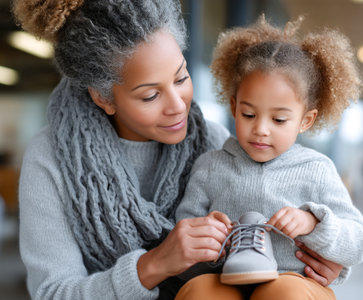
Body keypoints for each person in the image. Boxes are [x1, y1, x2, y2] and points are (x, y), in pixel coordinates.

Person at [13, 1, 342, 299]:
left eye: (181, 77)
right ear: (104, 98)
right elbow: (53, 293)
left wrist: (323, 263)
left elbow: (264, 233)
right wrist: (154, 265)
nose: (177, 106)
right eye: (150, 96)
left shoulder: (215, 141)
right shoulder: (51, 158)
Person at [175, 16, 363, 300]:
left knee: (282, 292)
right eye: (249, 114)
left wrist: (313, 224)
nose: (261, 129)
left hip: (294, 282)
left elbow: (360, 242)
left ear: (306, 120)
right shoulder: (210, 166)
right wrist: (208, 240)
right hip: (226, 280)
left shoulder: (316, 169)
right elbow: (185, 244)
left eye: (279, 119)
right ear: (233, 106)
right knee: (199, 291)